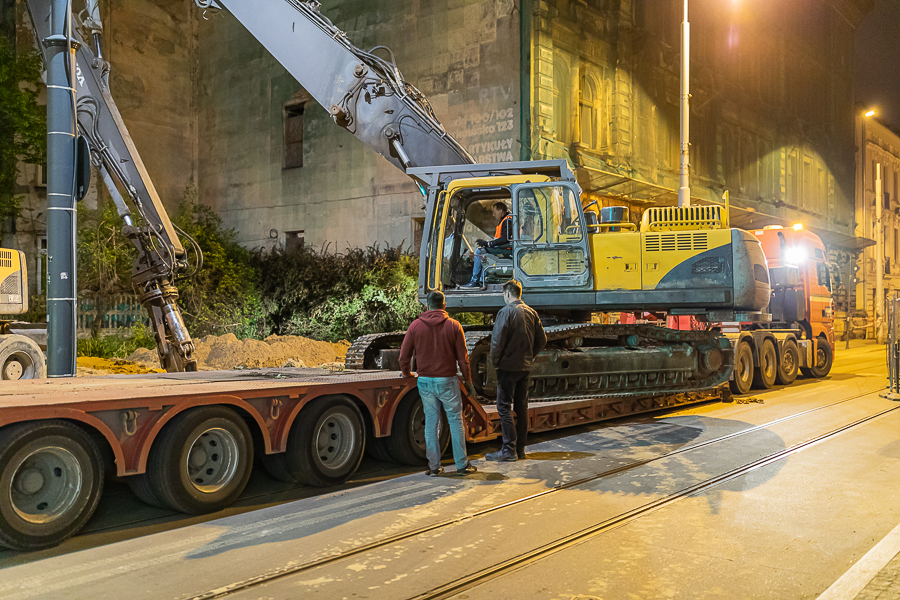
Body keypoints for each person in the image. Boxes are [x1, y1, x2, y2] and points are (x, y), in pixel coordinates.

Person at [399, 290, 478, 476]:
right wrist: (468, 381)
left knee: (431, 423)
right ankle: (462, 465)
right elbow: (463, 358)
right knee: (455, 421)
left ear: (427, 306)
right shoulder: (454, 325)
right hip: (447, 381)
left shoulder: (415, 326)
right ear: (444, 305)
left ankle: (434, 467)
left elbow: (404, 355)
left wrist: (406, 373)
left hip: (425, 381)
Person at [485, 279, 547, 462]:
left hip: (507, 367)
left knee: (504, 407)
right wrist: (530, 355)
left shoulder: (506, 312)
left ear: (507, 294)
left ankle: (508, 451)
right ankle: (520, 450)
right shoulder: (532, 312)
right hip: (524, 367)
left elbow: (497, 342)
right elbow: (542, 339)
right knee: (522, 408)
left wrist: (495, 362)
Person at [461, 202, 513, 288]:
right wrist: (488, 244)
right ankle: (482, 280)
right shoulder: (506, 220)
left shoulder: (507, 221)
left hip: (505, 249)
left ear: (500, 211)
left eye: (494, 211)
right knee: (484, 251)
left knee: (479, 251)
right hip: (503, 247)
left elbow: (505, 239)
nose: (493, 214)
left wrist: (488, 244)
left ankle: (475, 281)